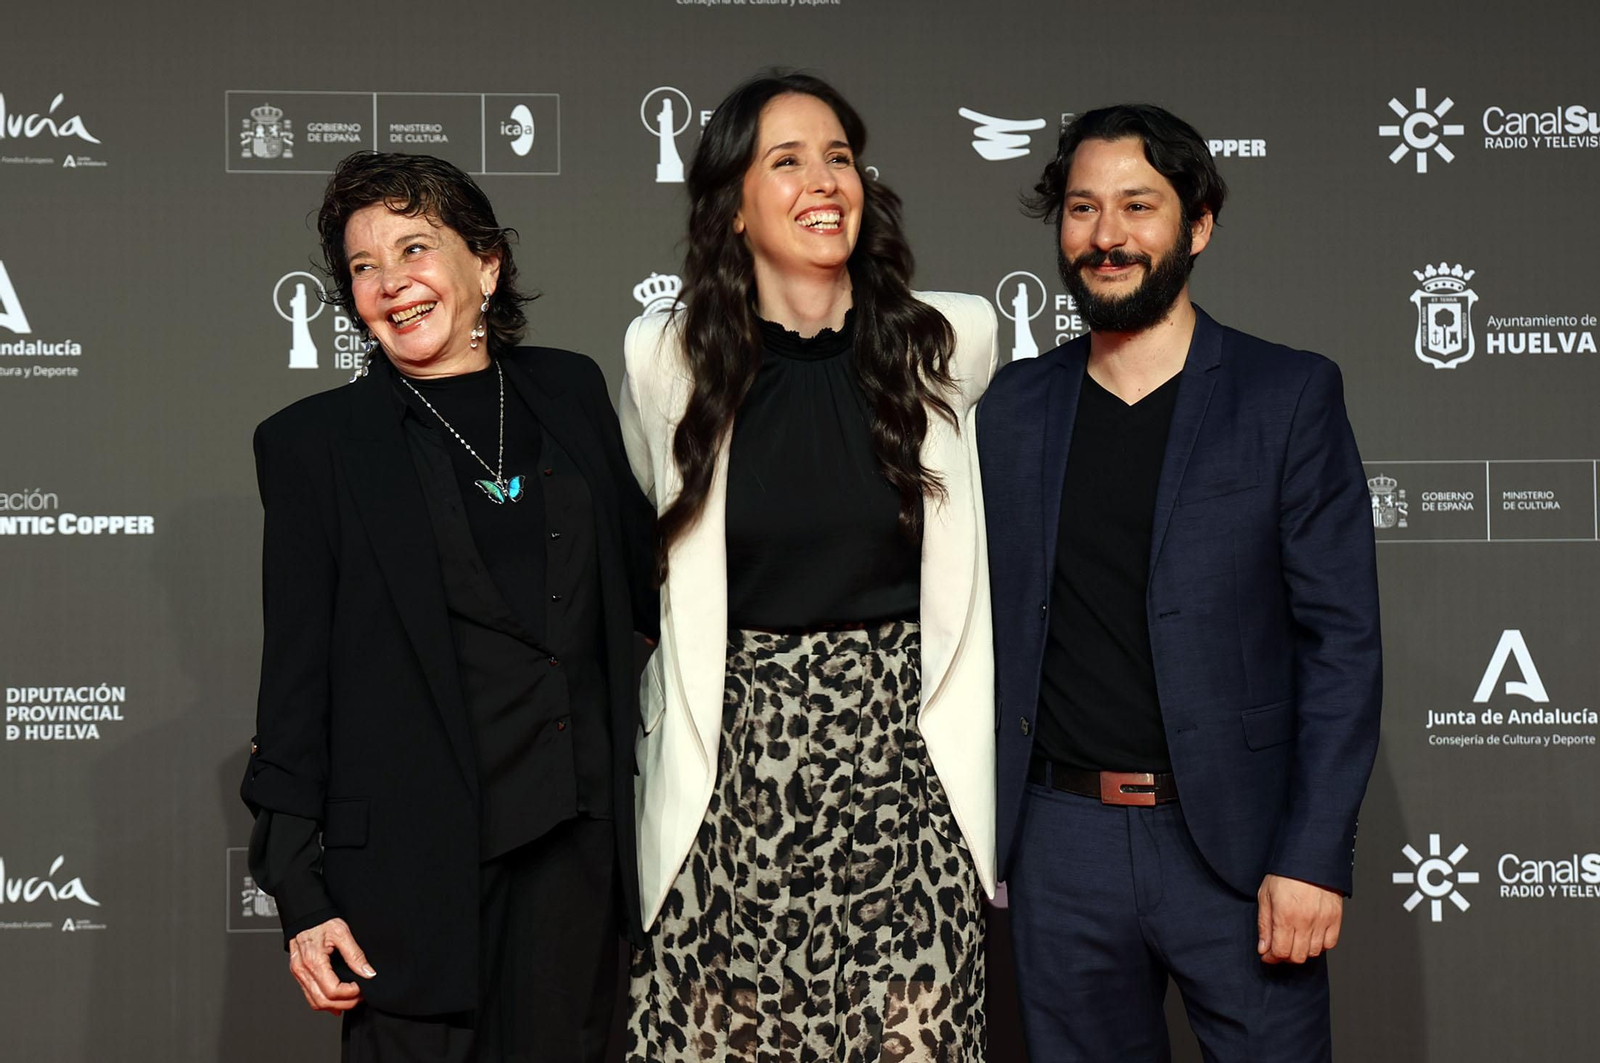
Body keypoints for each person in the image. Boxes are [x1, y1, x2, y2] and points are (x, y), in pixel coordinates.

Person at [979, 105, 1381, 1062]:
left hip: (1239, 847)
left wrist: (1311, 853)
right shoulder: (1010, 409)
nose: (1106, 236)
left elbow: (1342, 644)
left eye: (1137, 206)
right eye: (1082, 209)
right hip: (1059, 842)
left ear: (1197, 225)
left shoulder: (1286, 395)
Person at [242, 151, 656, 1063]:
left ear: (487, 264)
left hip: (575, 864)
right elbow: (296, 682)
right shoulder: (315, 447)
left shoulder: (570, 390)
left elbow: (649, 584)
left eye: (415, 249)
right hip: (408, 878)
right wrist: (300, 897)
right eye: (363, 266)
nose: (392, 284)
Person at [619, 73, 998, 1062]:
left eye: (838, 156)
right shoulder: (665, 360)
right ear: (732, 207)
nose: (823, 180)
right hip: (729, 788)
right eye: (784, 161)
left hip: (907, 790)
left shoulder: (951, 342)